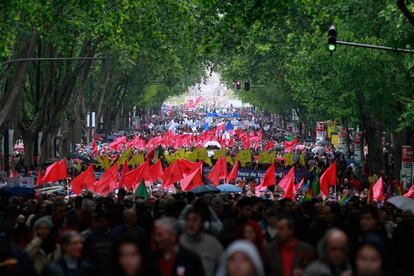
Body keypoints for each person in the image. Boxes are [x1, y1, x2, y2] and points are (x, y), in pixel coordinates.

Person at [179, 208, 223, 276]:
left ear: (202, 223)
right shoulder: (179, 242)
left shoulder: (213, 244)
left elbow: (223, 266)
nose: (191, 224)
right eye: (188, 220)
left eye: (194, 220)